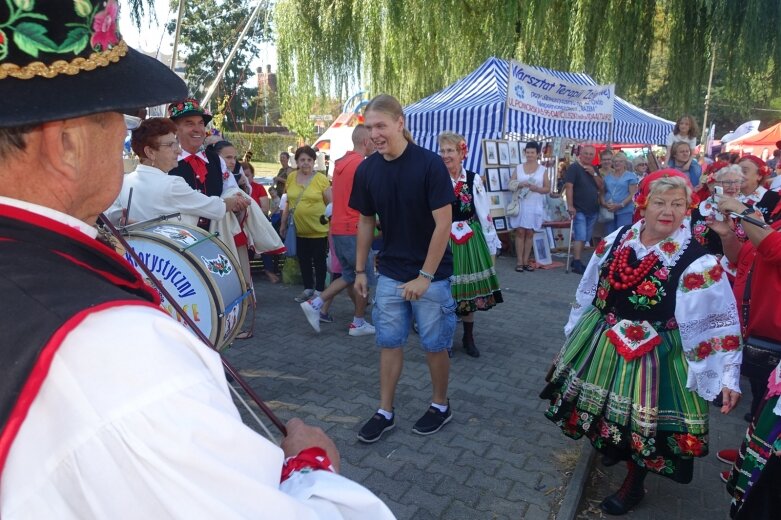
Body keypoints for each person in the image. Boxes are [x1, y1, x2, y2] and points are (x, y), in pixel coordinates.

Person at [0, 2, 392, 518]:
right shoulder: (111, 347)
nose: (126, 134)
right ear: (65, 145)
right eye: (116, 119)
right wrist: (313, 465)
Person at [541, 170, 742, 515]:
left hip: (658, 354)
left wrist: (726, 374)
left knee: (644, 424)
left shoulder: (698, 261)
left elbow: (718, 320)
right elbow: (590, 285)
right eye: (660, 202)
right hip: (603, 339)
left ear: (688, 208)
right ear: (643, 205)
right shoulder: (620, 237)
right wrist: (577, 326)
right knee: (606, 408)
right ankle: (613, 446)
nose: (668, 211)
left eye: (678, 204)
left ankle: (634, 483)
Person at [350, 94, 456, 443]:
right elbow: (366, 221)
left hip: (432, 275)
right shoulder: (367, 170)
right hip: (391, 272)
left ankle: (440, 405)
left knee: (434, 344)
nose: (374, 134)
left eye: (381, 125)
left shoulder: (429, 164)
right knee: (389, 342)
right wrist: (361, 270)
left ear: (400, 122)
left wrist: (424, 277)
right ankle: (385, 411)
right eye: (369, 127)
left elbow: (444, 225)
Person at [300, 125, 377, 336]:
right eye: (373, 139)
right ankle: (357, 322)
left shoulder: (342, 163)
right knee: (362, 277)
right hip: (354, 228)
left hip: (338, 227)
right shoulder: (361, 165)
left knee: (348, 274)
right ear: (366, 141)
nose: (376, 142)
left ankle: (318, 304)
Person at [106, 118, 248, 227]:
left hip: (133, 259)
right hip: (170, 261)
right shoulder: (171, 185)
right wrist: (234, 201)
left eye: (176, 144)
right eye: (170, 145)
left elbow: (110, 215)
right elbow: (214, 207)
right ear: (150, 152)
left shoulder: (123, 182)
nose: (178, 150)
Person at [438, 131, 502, 358]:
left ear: (461, 153)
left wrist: (491, 242)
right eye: (443, 150)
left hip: (469, 239)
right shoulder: (435, 178)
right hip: (442, 239)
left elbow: (485, 213)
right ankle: (444, 339)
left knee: (468, 293)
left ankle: (468, 337)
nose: (446, 155)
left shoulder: (474, 180)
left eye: (450, 151)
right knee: (445, 291)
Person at [168, 98, 241, 230]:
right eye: (189, 124)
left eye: (201, 123)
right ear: (175, 129)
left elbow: (231, 190)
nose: (197, 129)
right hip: (178, 241)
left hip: (216, 239)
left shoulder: (216, 160)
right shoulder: (166, 161)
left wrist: (237, 202)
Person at [280, 145, 332, 303]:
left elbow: (330, 204)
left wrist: (331, 227)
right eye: (302, 160)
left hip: (319, 230)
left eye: (309, 160)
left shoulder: (321, 179)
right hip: (299, 229)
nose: (306, 163)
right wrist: (283, 224)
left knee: (319, 261)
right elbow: (288, 202)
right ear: (296, 161)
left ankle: (319, 291)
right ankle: (308, 288)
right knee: (303, 260)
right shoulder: (291, 177)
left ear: (314, 162)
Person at [509, 141, 550, 272]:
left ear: (538, 154)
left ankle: (526, 260)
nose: (530, 155)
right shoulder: (519, 167)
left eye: (532, 153)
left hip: (535, 204)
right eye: (528, 152)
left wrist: (536, 188)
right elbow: (510, 184)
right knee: (520, 231)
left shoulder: (543, 170)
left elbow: (547, 189)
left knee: (530, 232)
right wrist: (521, 184)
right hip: (521, 203)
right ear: (524, 153)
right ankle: (519, 261)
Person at [564, 144, 603, 274]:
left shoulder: (595, 168)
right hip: (578, 208)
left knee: (586, 236)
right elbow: (569, 186)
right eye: (586, 153)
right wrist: (570, 205)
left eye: (591, 154)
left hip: (593, 208)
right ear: (581, 154)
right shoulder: (574, 168)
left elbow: (602, 187)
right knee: (580, 236)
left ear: (594, 156)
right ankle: (577, 262)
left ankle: (577, 260)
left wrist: (594, 174)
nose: (588, 156)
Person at [689, 162, 737, 255]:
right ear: (710, 185)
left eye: (735, 181)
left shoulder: (749, 211)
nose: (732, 186)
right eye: (726, 182)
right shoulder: (695, 209)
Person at [600, 151, 639, 235]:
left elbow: (633, 194)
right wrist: (603, 203)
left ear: (625, 163)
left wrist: (621, 205)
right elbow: (602, 192)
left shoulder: (630, 176)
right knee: (610, 235)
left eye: (620, 161)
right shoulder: (607, 177)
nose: (617, 163)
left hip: (625, 210)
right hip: (609, 210)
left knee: (622, 234)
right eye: (615, 161)